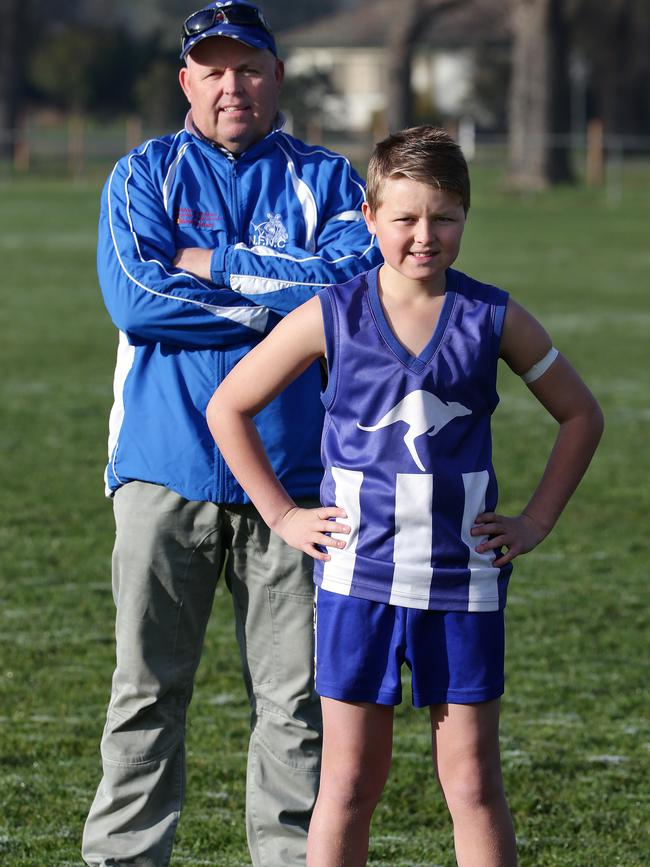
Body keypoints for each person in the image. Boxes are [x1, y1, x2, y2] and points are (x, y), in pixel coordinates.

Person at [205, 125, 604, 866]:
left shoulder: (494, 316)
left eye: (445, 216)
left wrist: (536, 519)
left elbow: (582, 414)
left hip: (463, 581)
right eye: (406, 218)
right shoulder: (332, 313)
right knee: (350, 783)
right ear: (369, 217)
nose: (425, 235)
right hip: (358, 580)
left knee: (473, 783)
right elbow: (229, 405)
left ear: (466, 217)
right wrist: (283, 513)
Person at [82, 3, 382, 865]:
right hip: (162, 469)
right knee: (146, 691)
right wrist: (282, 310)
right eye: (211, 70)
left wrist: (209, 266)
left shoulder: (327, 180)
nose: (231, 86)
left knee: (297, 704)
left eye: (247, 67)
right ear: (185, 82)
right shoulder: (141, 173)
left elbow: (347, 294)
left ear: (277, 75)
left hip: (299, 484)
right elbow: (138, 298)